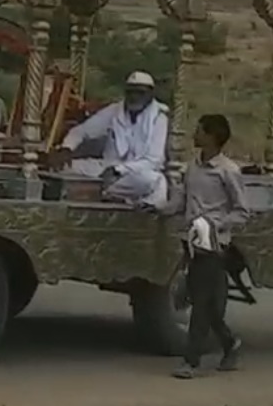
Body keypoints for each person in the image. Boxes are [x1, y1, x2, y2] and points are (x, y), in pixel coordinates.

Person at [168, 113, 248, 379]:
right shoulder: (192, 167)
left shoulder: (228, 171)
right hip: (191, 242)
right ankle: (230, 343)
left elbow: (241, 212)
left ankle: (191, 362)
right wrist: (158, 209)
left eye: (200, 130)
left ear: (212, 137)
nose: (195, 134)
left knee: (200, 304)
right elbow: (180, 203)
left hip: (214, 247)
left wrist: (216, 226)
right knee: (207, 305)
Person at [58, 70, 169, 207]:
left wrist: (118, 170)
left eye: (140, 93)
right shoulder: (115, 110)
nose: (134, 97)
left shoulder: (159, 118)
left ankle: (112, 195)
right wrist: (66, 148)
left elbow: (153, 161)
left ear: (150, 94)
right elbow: (81, 131)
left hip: (135, 174)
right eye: (131, 92)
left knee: (156, 181)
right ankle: (110, 194)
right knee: (62, 167)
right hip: (106, 169)